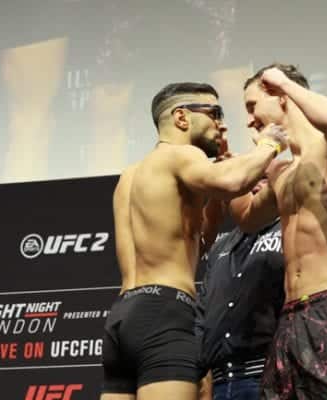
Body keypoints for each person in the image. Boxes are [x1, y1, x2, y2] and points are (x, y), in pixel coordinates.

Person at [100, 81, 288, 400]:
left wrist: (213, 189)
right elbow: (233, 181)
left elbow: (198, 240)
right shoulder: (181, 155)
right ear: (182, 118)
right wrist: (270, 145)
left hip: (124, 316)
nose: (222, 123)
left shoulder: (130, 176)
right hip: (164, 314)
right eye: (214, 113)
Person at [231, 63, 327, 399]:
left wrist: (282, 81)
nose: (249, 119)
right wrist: (233, 159)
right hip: (290, 316)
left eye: (252, 106)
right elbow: (247, 218)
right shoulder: (281, 169)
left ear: (279, 96)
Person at [196, 179, 285, 400]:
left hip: (268, 379)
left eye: (264, 178)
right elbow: (203, 312)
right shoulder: (219, 247)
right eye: (249, 181)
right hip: (219, 383)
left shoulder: (290, 230)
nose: (255, 186)